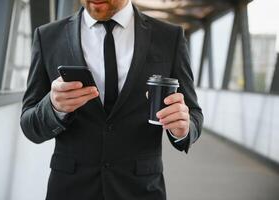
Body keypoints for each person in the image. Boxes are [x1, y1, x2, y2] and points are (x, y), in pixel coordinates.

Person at [20, 0, 203, 199]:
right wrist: (54, 107)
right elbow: (29, 125)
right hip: (70, 189)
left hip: (140, 189)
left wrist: (183, 129)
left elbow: (193, 113)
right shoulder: (47, 36)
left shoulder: (169, 37)